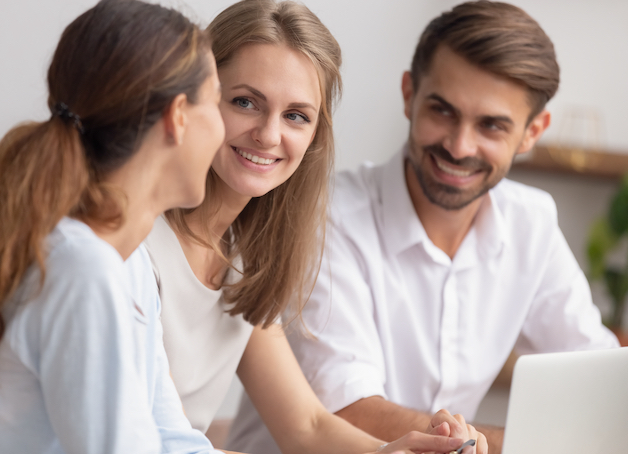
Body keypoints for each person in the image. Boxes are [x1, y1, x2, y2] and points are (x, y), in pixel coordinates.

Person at [226, 2, 621, 454]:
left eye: (491, 126)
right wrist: (517, 445)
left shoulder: (531, 222)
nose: (459, 145)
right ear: (409, 94)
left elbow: (602, 377)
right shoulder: (325, 214)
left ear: (533, 132)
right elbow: (348, 408)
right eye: (444, 111)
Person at [144, 0, 485, 453]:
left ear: (315, 136)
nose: (268, 135)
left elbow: (306, 425)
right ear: (198, 100)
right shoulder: (139, 242)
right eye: (245, 102)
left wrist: (399, 450)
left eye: (295, 116)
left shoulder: (243, 258)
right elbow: (150, 438)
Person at [0, 1, 226, 453]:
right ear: (178, 116)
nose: (223, 130)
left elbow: (172, 439)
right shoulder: (80, 270)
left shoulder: (127, 265)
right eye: (219, 103)